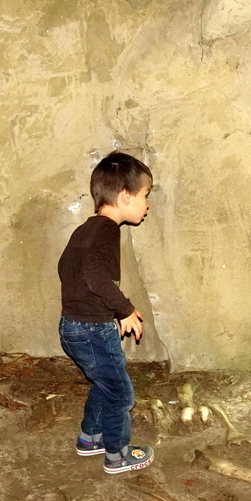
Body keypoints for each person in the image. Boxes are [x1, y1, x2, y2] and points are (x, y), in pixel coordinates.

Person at [57, 150, 155, 474]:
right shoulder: (107, 230)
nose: (147, 204)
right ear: (125, 196)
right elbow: (94, 275)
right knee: (121, 394)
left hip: (73, 327)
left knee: (106, 384)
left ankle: (90, 438)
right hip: (91, 330)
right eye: (145, 196)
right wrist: (124, 310)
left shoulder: (85, 229)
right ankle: (118, 454)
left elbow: (68, 267)